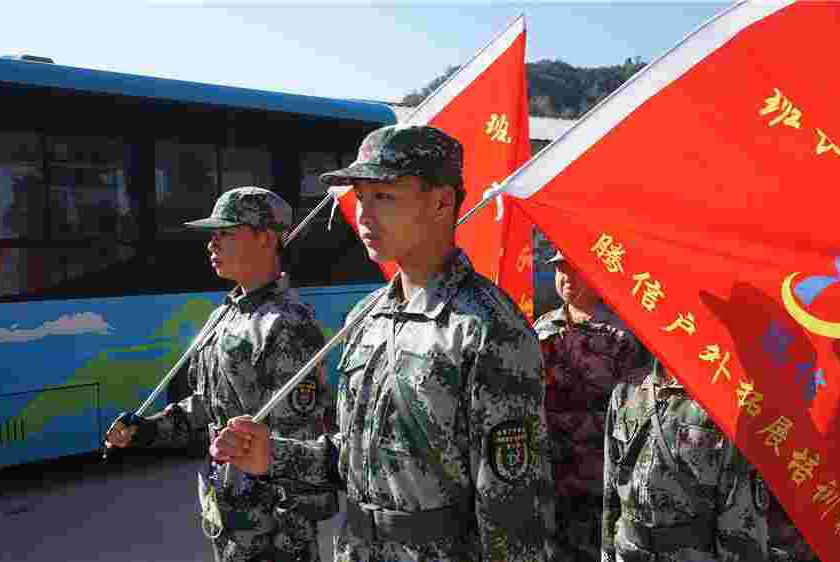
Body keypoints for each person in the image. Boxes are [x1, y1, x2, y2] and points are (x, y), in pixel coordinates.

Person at [211, 124, 553, 562]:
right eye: (360, 198)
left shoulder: (486, 328)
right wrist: (271, 456)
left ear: (441, 202)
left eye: (384, 197)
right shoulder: (367, 315)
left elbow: (512, 505)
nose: (364, 215)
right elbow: (350, 456)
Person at [105, 186, 334, 562]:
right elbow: (209, 405)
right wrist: (148, 429)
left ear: (266, 239)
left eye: (225, 232)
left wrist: (290, 536)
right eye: (212, 234)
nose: (212, 243)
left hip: (271, 531)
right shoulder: (225, 315)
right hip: (227, 512)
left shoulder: (287, 325)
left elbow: (298, 439)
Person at [534, 250, 651, 562]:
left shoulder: (622, 335)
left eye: (574, 269)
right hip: (553, 476)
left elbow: (635, 413)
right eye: (560, 269)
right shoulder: (542, 329)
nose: (566, 278)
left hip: (601, 480)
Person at [602, 362, 769, 562]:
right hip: (628, 551)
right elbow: (611, 489)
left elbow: (741, 523)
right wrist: (607, 552)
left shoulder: (725, 404)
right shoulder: (627, 390)